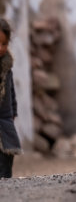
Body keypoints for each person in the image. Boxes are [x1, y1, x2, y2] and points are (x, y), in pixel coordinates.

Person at [0, 18, 21, 178]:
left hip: (5, 121)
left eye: (4, 44)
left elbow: (11, 91)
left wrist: (13, 112)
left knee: (7, 156)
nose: (1, 48)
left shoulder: (7, 67)